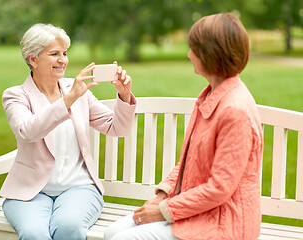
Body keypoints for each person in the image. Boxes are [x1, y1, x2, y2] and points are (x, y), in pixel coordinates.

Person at [105, 13, 263, 240]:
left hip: (223, 222)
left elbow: (220, 188)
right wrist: (162, 196)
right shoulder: (211, 95)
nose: (189, 54)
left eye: (193, 49)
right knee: (111, 232)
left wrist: (163, 211)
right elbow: (189, 161)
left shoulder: (234, 110)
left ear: (211, 54)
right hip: (198, 210)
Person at [0, 23, 136, 240]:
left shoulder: (77, 91)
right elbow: (28, 131)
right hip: (30, 193)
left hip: (79, 189)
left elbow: (116, 128)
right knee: (34, 233)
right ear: (32, 59)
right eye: (54, 54)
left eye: (64, 53)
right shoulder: (16, 96)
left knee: (68, 228)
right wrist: (70, 98)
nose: (63, 60)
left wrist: (124, 95)